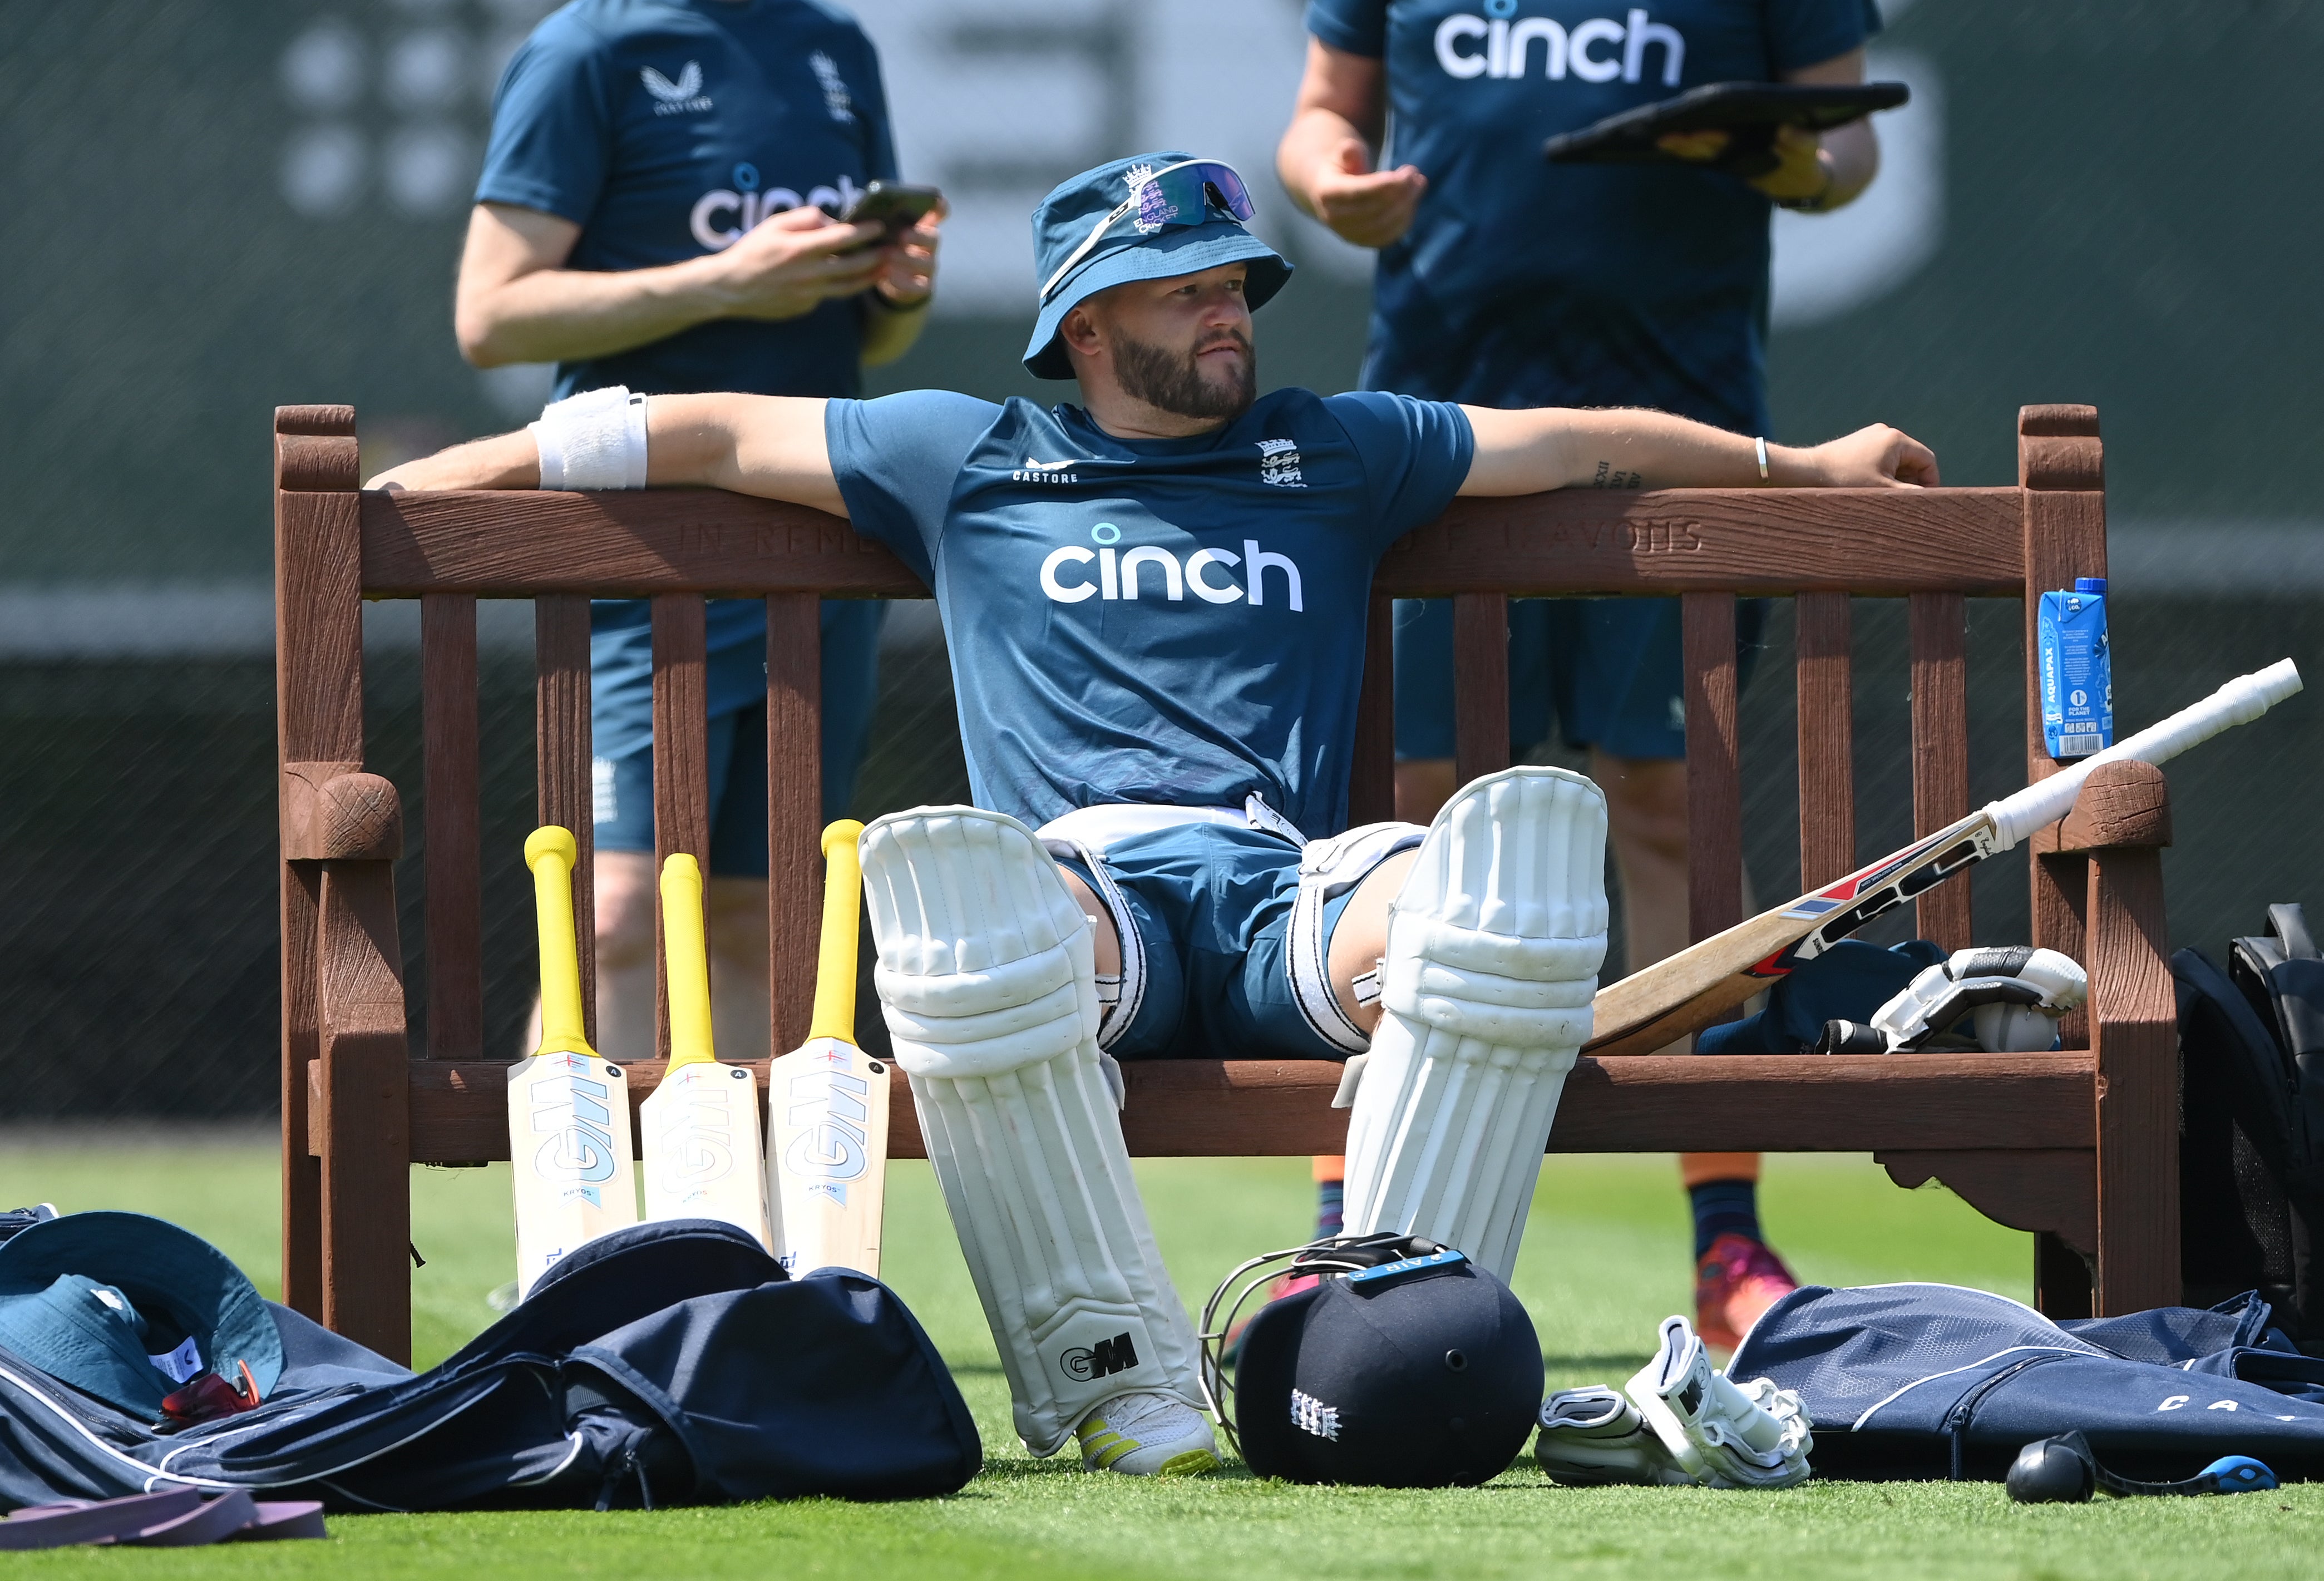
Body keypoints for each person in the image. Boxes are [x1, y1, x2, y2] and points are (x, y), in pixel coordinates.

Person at [372, 151, 1936, 1478]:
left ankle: (1372, 1352)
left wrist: (1806, 466)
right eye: (1189, 285)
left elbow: (1586, 441)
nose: (1228, 306)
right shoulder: (967, 453)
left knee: (1506, 872)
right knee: (955, 896)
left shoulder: (1334, 446)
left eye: (1236, 282)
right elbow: (699, 433)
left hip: (1283, 902)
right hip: (1088, 911)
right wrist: (452, 473)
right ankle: (1119, 1378)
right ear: (1088, 315)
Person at [1276, 0, 1886, 1351]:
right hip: (1445, 448)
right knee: (1402, 831)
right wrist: (1330, 186)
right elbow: (1323, 118)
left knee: (1675, 816)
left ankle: (1727, 1235)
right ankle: (1343, 1230)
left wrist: (1793, 163)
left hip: (1690, 448)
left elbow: (1844, 148)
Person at [459, 0, 940, 1060]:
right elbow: (491, 315)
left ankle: (745, 1227)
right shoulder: (587, 46)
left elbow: (873, 333)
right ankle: (587, 1227)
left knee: (766, 922)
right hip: (643, 543)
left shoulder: (833, 43)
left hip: (815, 538)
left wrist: (897, 291)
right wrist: (723, 280)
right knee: (615, 915)